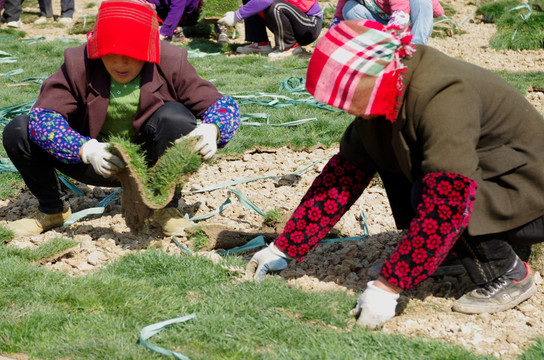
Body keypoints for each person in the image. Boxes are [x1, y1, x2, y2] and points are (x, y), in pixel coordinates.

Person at [246, 20, 544, 328]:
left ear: (366, 82)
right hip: (499, 178)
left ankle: (507, 272)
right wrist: (285, 246)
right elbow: (344, 176)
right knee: (392, 157)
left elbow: (449, 202)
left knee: (437, 192)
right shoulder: (388, 86)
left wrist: (388, 287)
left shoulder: (442, 95)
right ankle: (451, 254)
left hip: (532, 192)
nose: (346, 110)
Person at [2, 0, 240, 238]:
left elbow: (222, 105)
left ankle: (164, 208)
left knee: (176, 118)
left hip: (150, 164)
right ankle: (53, 209)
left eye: (131, 55)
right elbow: (43, 117)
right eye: (111, 54)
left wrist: (213, 129)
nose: (120, 64)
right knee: (19, 130)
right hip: (94, 160)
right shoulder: (78, 63)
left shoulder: (170, 61)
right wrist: (85, 149)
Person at [218, 0, 323, 59]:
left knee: (274, 6)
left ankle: (289, 47)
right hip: (293, 21)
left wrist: (236, 16)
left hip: (309, 25)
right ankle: (261, 43)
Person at [341, 0, 444, 44]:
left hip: (410, 22)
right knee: (350, 8)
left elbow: (400, 10)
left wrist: (394, 32)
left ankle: (416, 48)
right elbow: (341, 9)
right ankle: (380, 45)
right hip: (387, 22)